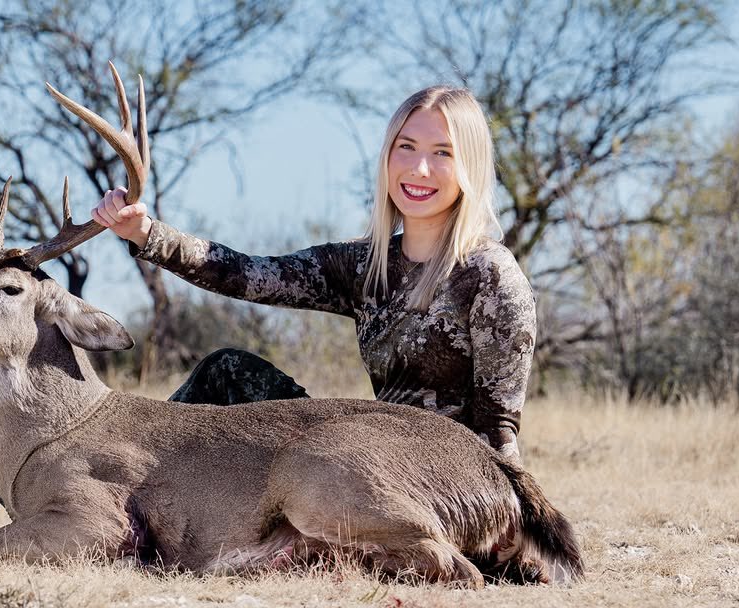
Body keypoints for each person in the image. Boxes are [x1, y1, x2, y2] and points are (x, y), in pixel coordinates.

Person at [91, 86, 536, 465]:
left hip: (432, 485)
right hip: (368, 455)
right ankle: (131, 494)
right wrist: (147, 233)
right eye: (407, 147)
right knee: (226, 371)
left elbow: (498, 433)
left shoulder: (492, 277)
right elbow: (249, 274)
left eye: (443, 153)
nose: (419, 168)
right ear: (387, 155)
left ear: (469, 167)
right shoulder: (364, 265)